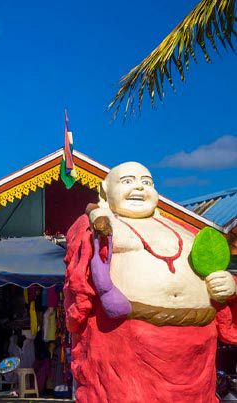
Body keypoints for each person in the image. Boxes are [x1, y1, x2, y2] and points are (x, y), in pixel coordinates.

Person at [66, 161, 237, 402]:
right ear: (105, 192)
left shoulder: (186, 231)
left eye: (146, 182)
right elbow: (80, 277)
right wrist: (95, 218)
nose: (139, 188)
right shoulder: (99, 225)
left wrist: (228, 285)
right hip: (129, 345)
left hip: (196, 348)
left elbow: (214, 270)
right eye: (127, 181)